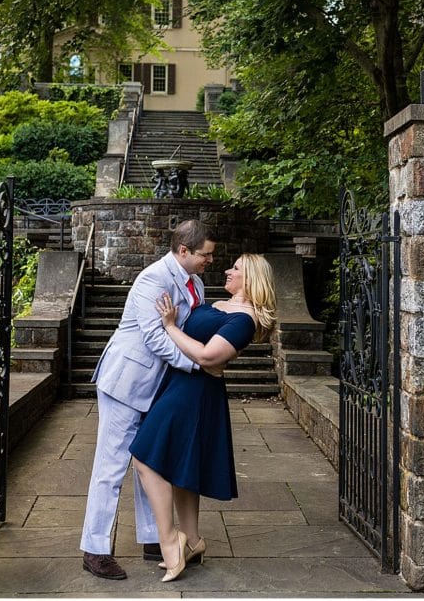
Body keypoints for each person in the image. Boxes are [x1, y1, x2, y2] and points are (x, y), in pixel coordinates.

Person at [80, 219, 221, 580]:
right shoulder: (153, 279)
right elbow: (155, 338)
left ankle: (153, 538)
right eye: (205, 255)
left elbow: (188, 329)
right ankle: (95, 548)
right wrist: (198, 365)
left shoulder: (197, 284)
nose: (210, 261)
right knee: (110, 468)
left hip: (161, 386)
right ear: (184, 251)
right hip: (127, 381)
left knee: (151, 461)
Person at [129, 254, 277, 582]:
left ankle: (170, 542)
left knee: (145, 460)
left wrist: (169, 326)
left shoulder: (245, 319)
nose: (227, 270)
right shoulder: (222, 305)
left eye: (236, 268)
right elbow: (198, 346)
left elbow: (208, 356)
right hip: (180, 384)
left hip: (194, 392)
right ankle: (194, 542)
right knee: (183, 466)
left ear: (251, 278)